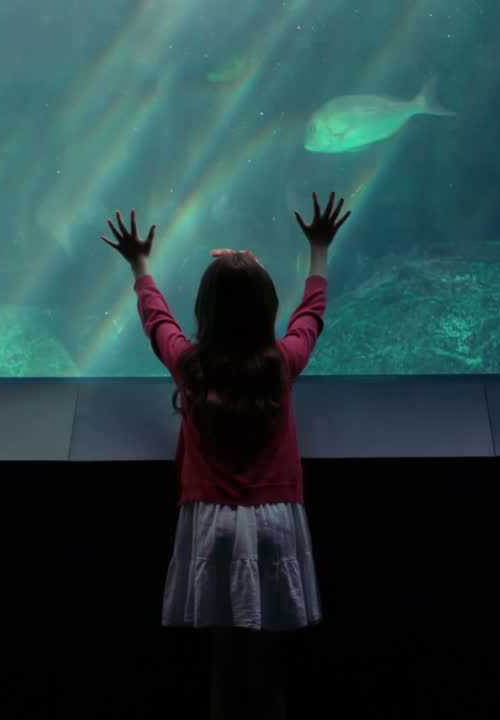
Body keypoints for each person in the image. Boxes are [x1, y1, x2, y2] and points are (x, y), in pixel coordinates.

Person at [101, 192, 350, 720]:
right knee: (269, 664)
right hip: (276, 520)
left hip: (212, 522)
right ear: (267, 310)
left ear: (205, 311)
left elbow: (156, 321)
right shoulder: (281, 363)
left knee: (225, 665)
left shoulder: (191, 366)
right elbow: (312, 314)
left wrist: (139, 263)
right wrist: (319, 248)